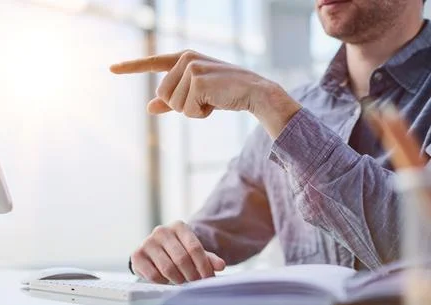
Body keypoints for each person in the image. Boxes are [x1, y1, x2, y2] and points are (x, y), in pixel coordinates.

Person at [110, 0, 431, 284]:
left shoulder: (278, 110)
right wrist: (165, 252)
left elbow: (422, 244)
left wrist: (270, 102)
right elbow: (210, 236)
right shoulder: (286, 110)